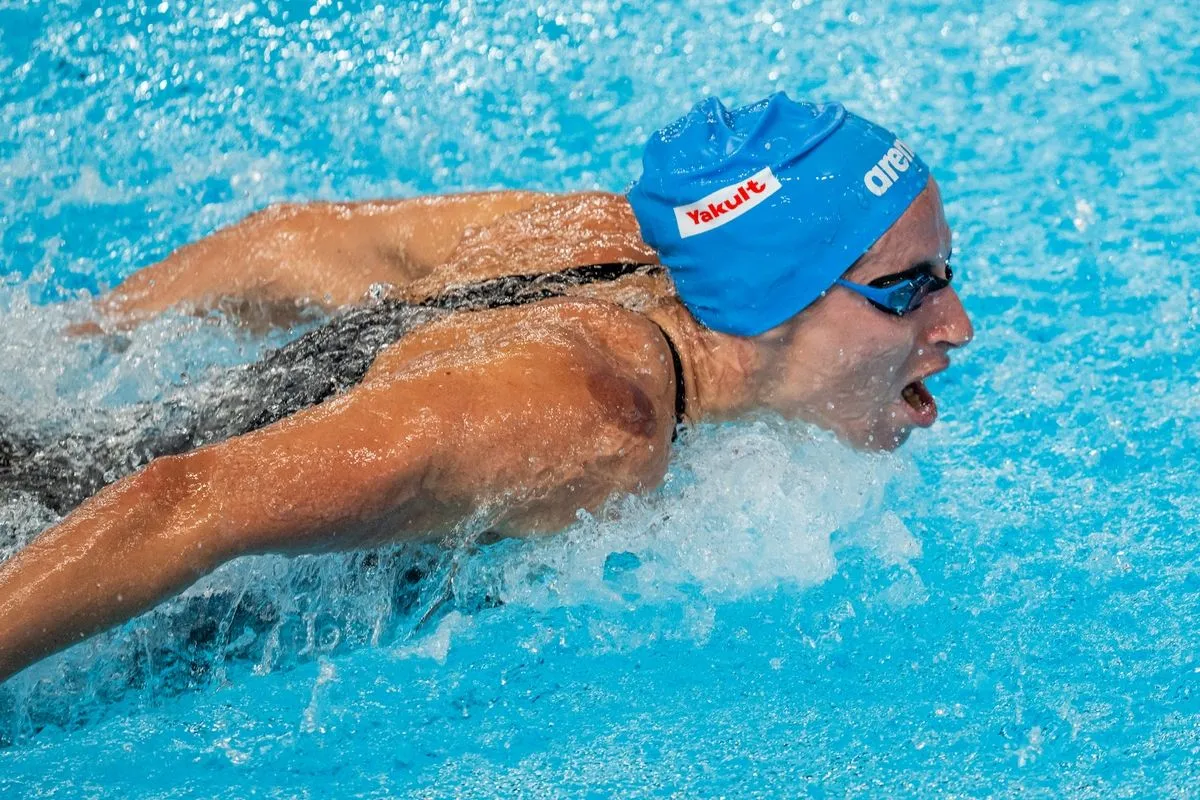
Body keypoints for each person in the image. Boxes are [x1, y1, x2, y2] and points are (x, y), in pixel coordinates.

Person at [0, 93, 973, 683]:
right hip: (49, 553)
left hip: (56, 460)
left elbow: (287, 243)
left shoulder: (599, 236)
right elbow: (185, 501)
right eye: (907, 289)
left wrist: (84, 330)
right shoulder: (586, 423)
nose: (956, 325)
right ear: (772, 297)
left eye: (946, 273)